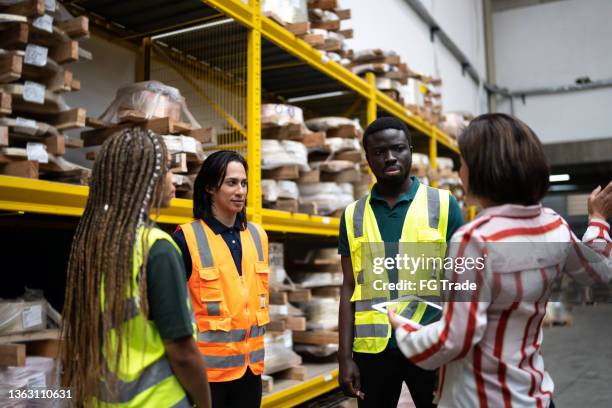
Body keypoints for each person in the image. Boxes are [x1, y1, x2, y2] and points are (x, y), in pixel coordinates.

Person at [389, 113, 612, 408]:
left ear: (482, 170)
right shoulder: (553, 225)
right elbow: (600, 272)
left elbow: (454, 339)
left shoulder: (473, 240)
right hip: (534, 396)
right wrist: (597, 221)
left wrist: (404, 330)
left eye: (463, 164)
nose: (459, 173)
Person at [61, 128, 211, 407]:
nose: (173, 177)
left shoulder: (94, 243)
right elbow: (182, 352)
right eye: (166, 168)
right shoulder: (156, 247)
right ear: (147, 179)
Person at [338, 116, 465, 408]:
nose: (390, 157)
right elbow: (348, 287)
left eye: (398, 148)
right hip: (373, 351)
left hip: (430, 343)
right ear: (367, 158)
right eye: (379, 152)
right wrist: (344, 357)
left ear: (410, 149)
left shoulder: (444, 205)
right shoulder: (352, 216)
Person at [173, 150, 270, 408]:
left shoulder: (259, 236)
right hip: (207, 377)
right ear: (209, 187)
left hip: (251, 373)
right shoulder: (186, 239)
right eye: (231, 183)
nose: (240, 191)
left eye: (244, 183)